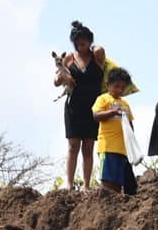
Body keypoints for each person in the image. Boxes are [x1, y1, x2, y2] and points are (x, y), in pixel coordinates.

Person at [54, 20, 104, 190]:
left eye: (84, 39)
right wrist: (61, 75)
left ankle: (86, 185)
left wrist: (94, 48)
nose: (80, 43)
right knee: (73, 145)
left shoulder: (97, 55)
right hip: (74, 106)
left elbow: (100, 52)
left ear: (89, 40)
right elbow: (56, 81)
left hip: (92, 106)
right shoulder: (69, 57)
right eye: (77, 40)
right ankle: (69, 184)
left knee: (88, 146)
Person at [92, 67, 137, 195]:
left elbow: (130, 124)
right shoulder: (103, 99)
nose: (119, 90)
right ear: (108, 85)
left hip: (123, 150)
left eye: (122, 88)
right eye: (116, 86)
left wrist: (131, 142)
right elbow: (96, 115)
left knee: (118, 183)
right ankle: (104, 206)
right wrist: (112, 112)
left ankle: (115, 208)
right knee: (107, 181)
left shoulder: (125, 104)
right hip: (108, 147)